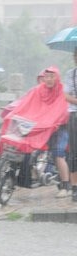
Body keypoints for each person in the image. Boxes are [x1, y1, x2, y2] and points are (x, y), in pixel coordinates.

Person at [0, 66, 69, 194]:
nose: (48, 79)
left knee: (58, 154)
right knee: (27, 149)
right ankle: (31, 176)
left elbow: (61, 109)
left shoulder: (62, 91)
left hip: (58, 126)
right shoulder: (38, 90)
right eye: (46, 76)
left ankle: (65, 186)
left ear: (57, 78)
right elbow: (26, 104)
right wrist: (14, 115)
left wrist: (53, 121)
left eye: (52, 76)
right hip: (42, 126)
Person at [63, 48, 77, 202]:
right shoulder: (70, 74)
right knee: (74, 152)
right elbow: (66, 95)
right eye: (75, 55)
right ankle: (74, 187)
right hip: (74, 115)